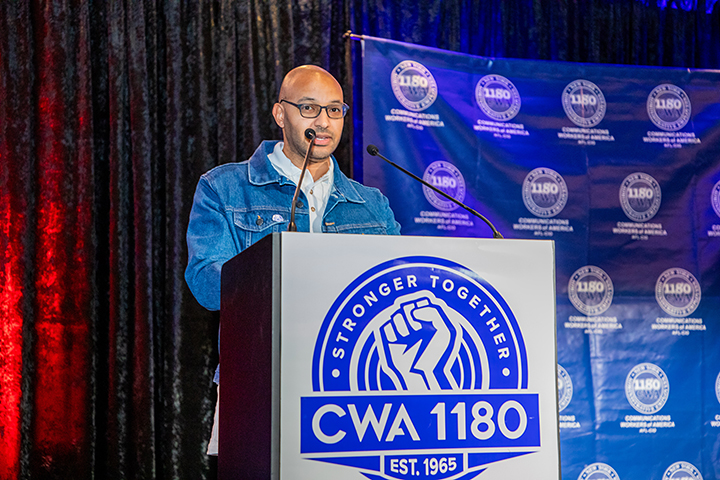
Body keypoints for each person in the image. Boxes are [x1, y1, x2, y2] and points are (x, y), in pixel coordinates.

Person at [184, 65, 401, 455]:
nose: (324, 122)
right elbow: (205, 282)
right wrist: (279, 280)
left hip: (358, 388)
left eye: (334, 110)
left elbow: (399, 284)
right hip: (260, 381)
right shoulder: (225, 188)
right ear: (280, 114)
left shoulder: (371, 205)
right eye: (309, 108)